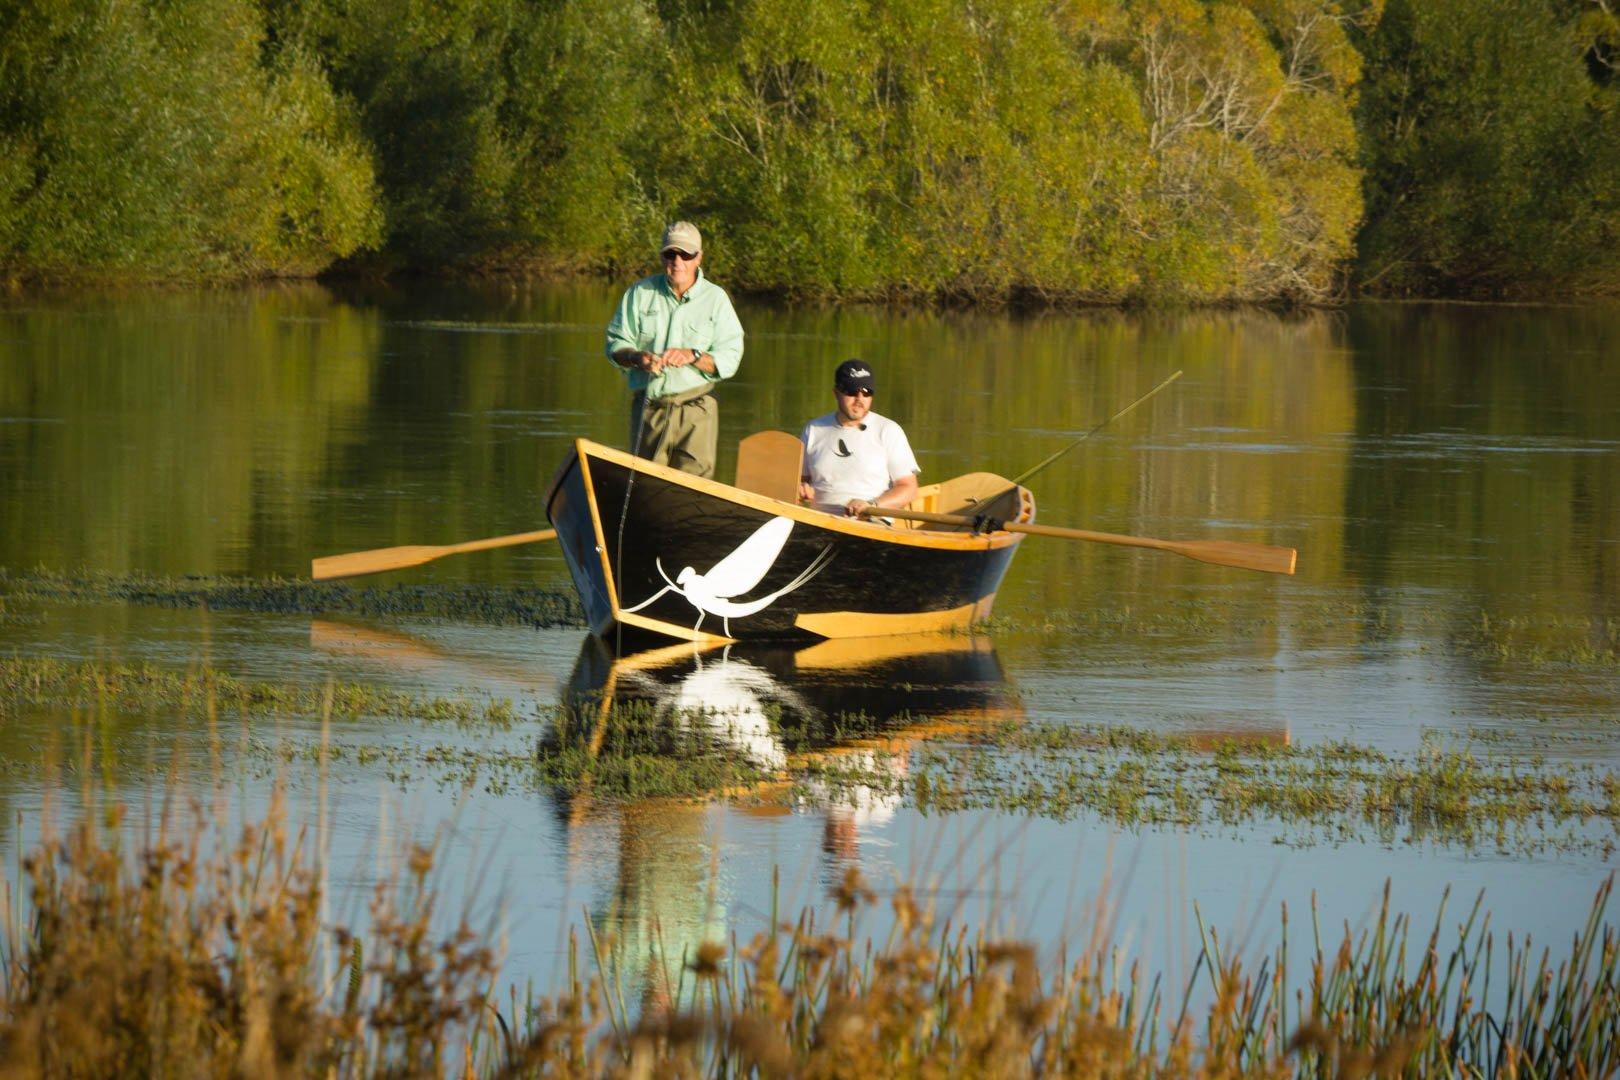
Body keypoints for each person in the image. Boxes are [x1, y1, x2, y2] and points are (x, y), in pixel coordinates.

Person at [604, 221, 744, 478]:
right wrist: (637, 357)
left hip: (697, 411)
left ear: (699, 257)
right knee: (645, 484)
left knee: (695, 489)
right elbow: (615, 345)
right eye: (671, 254)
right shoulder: (639, 293)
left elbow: (730, 358)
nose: (677, 261)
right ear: (662, 257)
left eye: (686, 255)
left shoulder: (716, 299)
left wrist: (694, 356)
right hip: (650, 408)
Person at [798, 359, 920, 518]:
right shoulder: (813, 429)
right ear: (836, 392)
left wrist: (872, 505)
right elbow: (799, 481)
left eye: (867, 392)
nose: (859, 398)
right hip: (819, 520)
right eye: (852, 391)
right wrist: (801, 488)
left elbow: (909, 489)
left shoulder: (888, 430)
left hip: (871, 521)